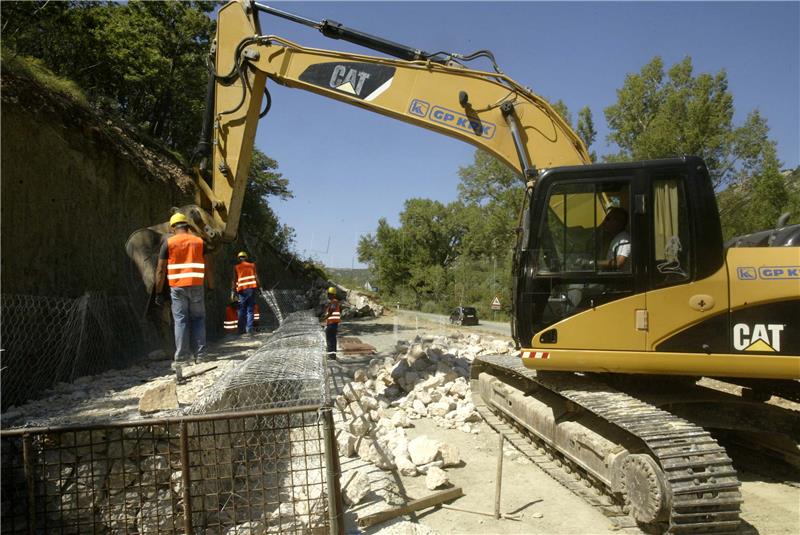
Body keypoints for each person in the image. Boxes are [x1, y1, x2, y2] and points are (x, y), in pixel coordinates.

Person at [154, 213, 214, 377]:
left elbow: (160, 271)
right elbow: (208, 267)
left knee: (181, 321)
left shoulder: (169, 242)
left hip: (177, 287)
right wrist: (211, 286)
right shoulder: (200, 242)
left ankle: (182, 358)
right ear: (187, 226)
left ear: (173, 228)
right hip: (196, 286)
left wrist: (159, 292)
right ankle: (201, 356)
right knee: (198, 319)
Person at [232, 251, 261, 335]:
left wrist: (233, 290)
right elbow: (256, 277)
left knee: (241, 310)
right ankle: (249, 330)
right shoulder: (252, 265)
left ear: (238, 258)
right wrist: (259, 287)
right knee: (250, 310)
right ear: (246, 257)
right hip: (251, 289)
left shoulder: (236, 267)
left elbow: (234, 280)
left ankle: (241, 330)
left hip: (241, 290)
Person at [598, 207, 631, 271]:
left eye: (607, 219)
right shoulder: (615, 238)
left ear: (618, 222)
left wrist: (593, 263)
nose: (604, 222)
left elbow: (619, 263)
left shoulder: (624, 239)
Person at [323, 286, 341, 360]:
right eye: (328, 294)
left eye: (329, 294)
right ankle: (332, 355)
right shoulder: (332, 302)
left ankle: (331, 356)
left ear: (333, 294)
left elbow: (332, 310)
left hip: (332, 324)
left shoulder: (334, 301)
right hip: (332, 324)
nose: (328, 295)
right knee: (332, 340)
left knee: (330, 340)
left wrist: (325, 318)